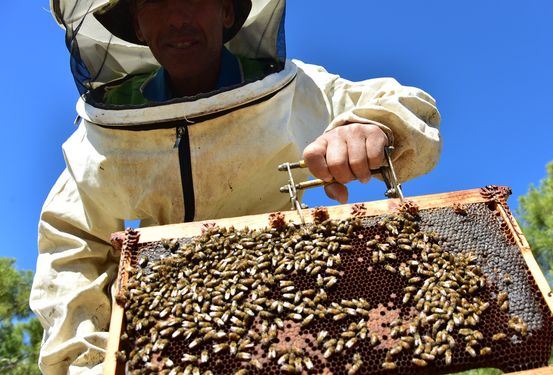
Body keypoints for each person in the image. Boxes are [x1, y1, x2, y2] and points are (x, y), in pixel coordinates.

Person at [31, 0, 442, 373]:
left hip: (308, 317)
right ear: (137, 26)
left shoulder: (302, 90)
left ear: (227, 12)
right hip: (182, 340)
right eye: (154, 2)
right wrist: (83, 362)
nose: (177, 17)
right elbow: (71, 244)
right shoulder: (101, 136)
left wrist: (371, 124)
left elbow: (402, 102)